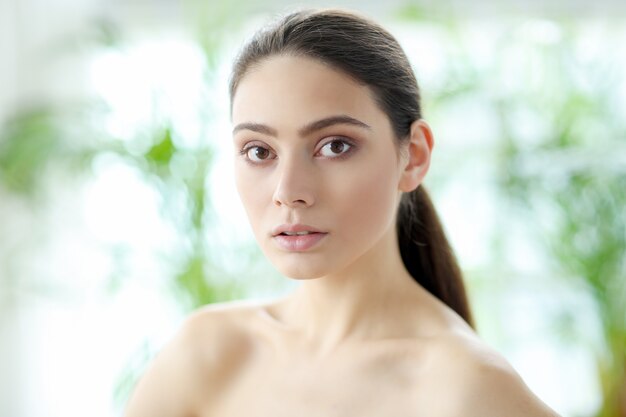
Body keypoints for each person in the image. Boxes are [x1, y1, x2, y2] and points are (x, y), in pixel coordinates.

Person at [124, 8, 561, 416]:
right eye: (259, 151)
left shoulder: (467, 391)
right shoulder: (206, 352)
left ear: (413, 157)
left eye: (335, 146)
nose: (288, 192)